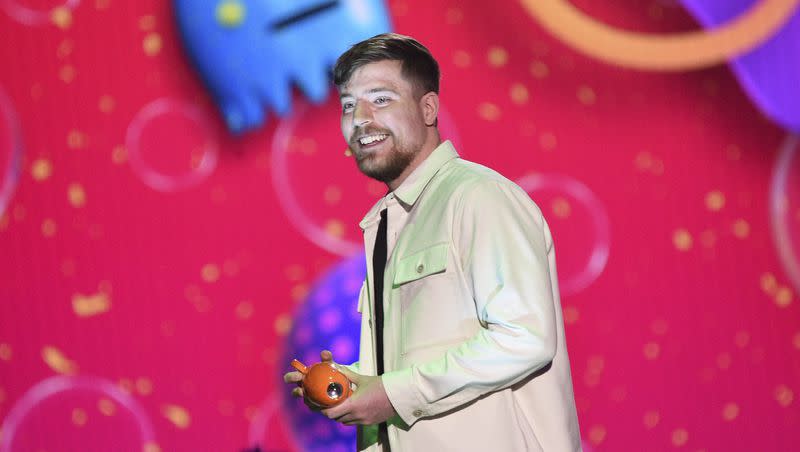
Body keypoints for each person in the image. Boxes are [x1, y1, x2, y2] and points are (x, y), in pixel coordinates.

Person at [284, 33, 581, 451]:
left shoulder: (477, 197)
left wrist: (392, 395)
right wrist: (359, 384)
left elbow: (525, 337)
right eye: (349, 105)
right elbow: (422, 361)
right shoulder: (391, 221)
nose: (361, 118)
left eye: (381, 99)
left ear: (428, 108)